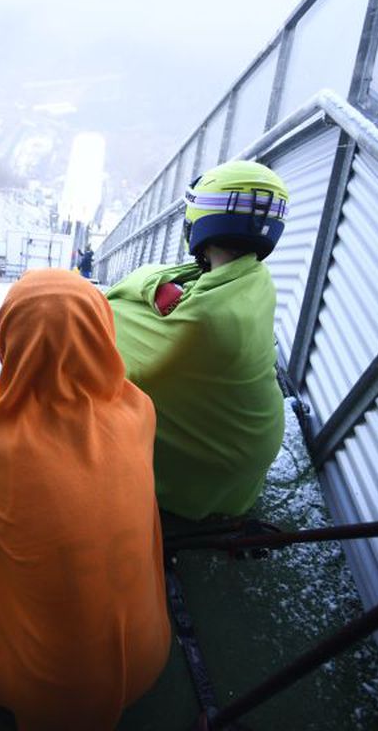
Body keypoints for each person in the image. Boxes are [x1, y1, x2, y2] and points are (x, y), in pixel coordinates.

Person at [0, 269, 170, 729]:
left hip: (36, 687)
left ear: (9, 339)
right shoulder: (139, 411)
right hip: (145, 661)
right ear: (102, 331)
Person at [106, 160, 289, 519]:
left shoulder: (203, 319)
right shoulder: (255, 280)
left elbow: (113, 356)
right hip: (250, 451)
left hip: (204, 474)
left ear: (199, 220)